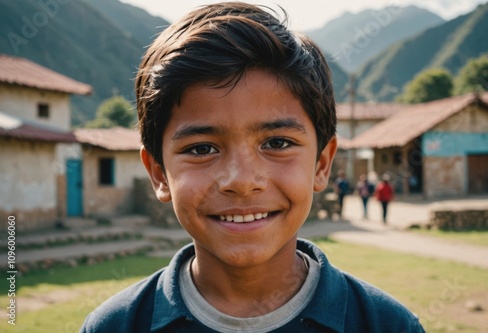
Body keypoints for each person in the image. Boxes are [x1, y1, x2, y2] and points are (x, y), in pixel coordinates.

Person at [80, 3, 424, 332]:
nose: (242, 181)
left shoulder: (386, 325)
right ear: (158, 173)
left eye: (277, 143)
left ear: (321, 163)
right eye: (202, 149)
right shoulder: (115, 326)